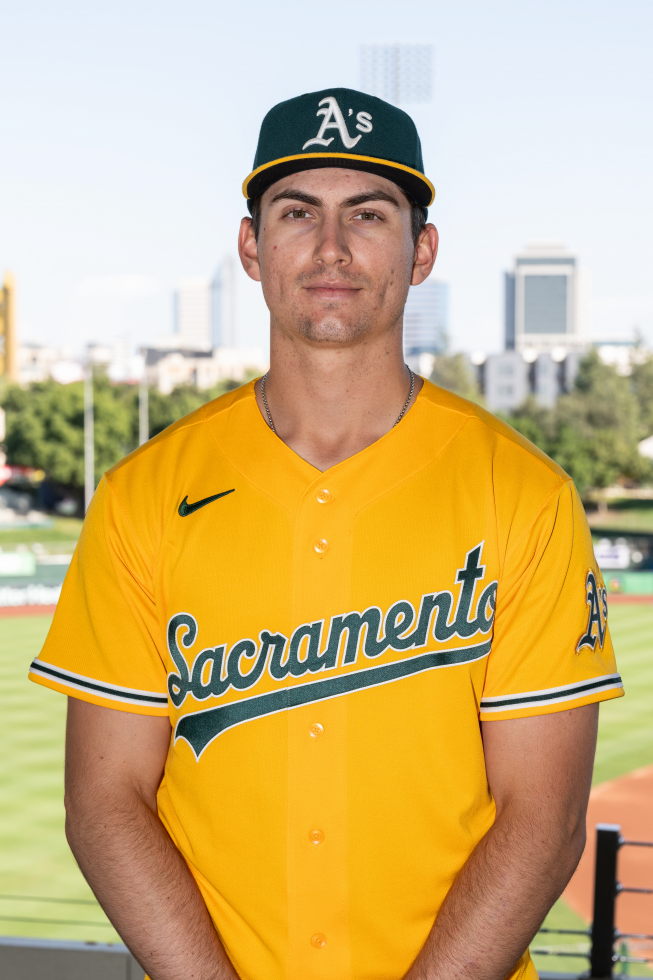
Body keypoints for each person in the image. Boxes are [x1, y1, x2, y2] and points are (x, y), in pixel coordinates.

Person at [30, 87, 623, 980]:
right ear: (251, 246)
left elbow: (541, 819)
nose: (332, 248)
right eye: (298, 213)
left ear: (421, 249)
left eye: (369, 214)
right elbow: (103, 801)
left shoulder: (523, 495)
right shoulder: (143, 495)